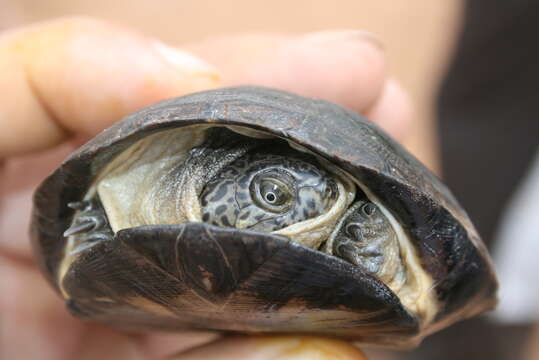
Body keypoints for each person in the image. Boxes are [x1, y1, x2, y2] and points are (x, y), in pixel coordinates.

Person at [0, 17, 412, 359]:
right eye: (271, 195)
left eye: (327, 203)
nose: (304, 210)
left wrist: (369, 240)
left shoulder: (348, 220)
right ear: (205, 182)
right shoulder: (137, 174)